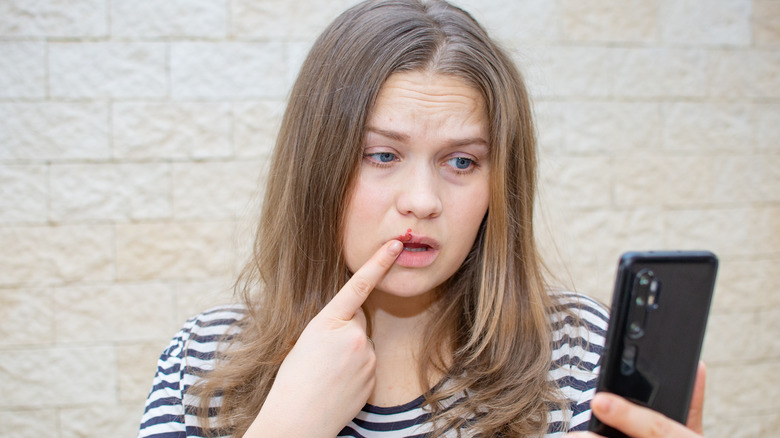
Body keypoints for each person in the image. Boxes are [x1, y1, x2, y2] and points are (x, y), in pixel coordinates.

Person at [137, 1, 706, 437]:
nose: (421, 200)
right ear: (317, 167)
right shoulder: (203, 360)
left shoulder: (582, 354)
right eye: (382, 155)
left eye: (461, 161)